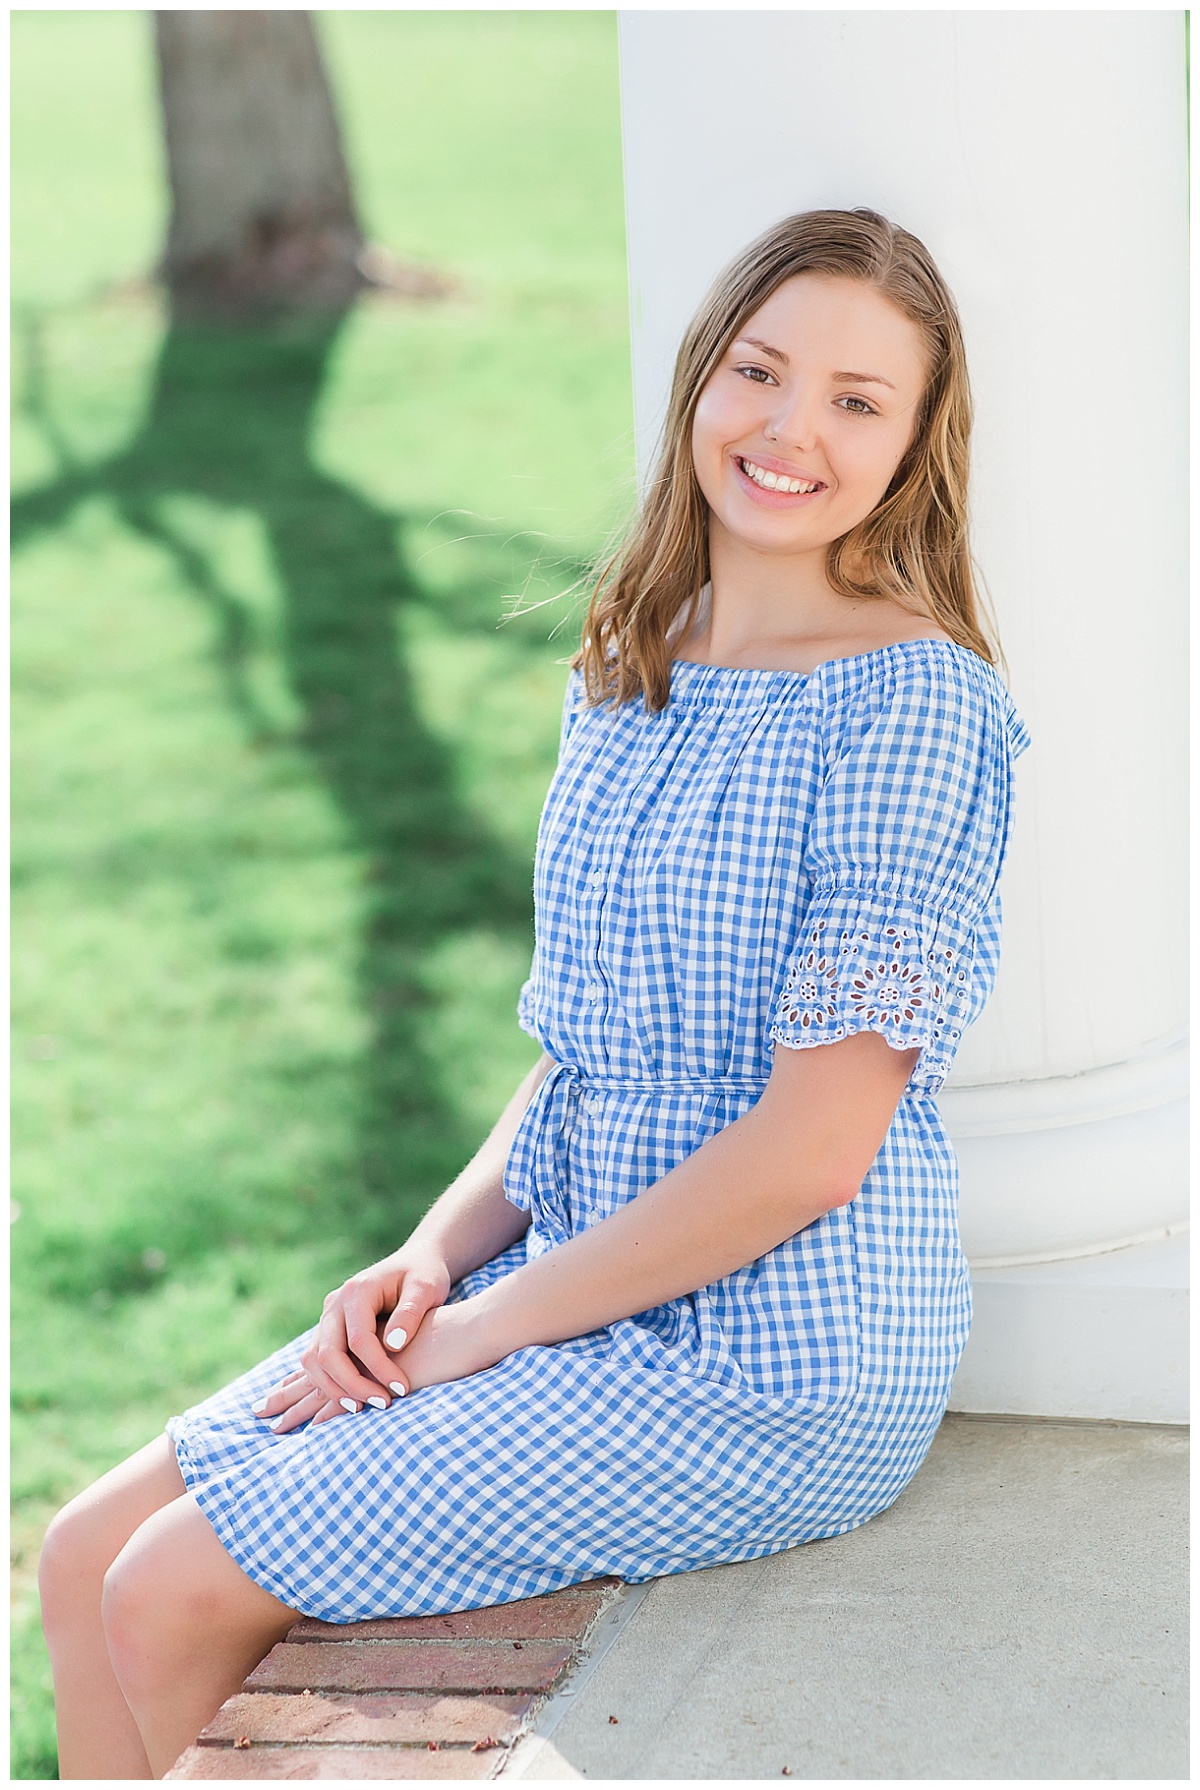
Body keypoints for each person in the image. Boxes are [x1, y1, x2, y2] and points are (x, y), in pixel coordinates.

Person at [39, 207, 1031, 1779]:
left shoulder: (913, 706)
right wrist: (427, 1260)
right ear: (701, 377)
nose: (788, 428)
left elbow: (812, 1152)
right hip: (571, 1281)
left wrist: (484, 1333)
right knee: (82, 1553)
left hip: (769, 1354)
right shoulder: (631, 658)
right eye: (759, 370)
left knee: (168, 1585)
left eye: (857, 399)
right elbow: (582, 1053)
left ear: (917, 442)